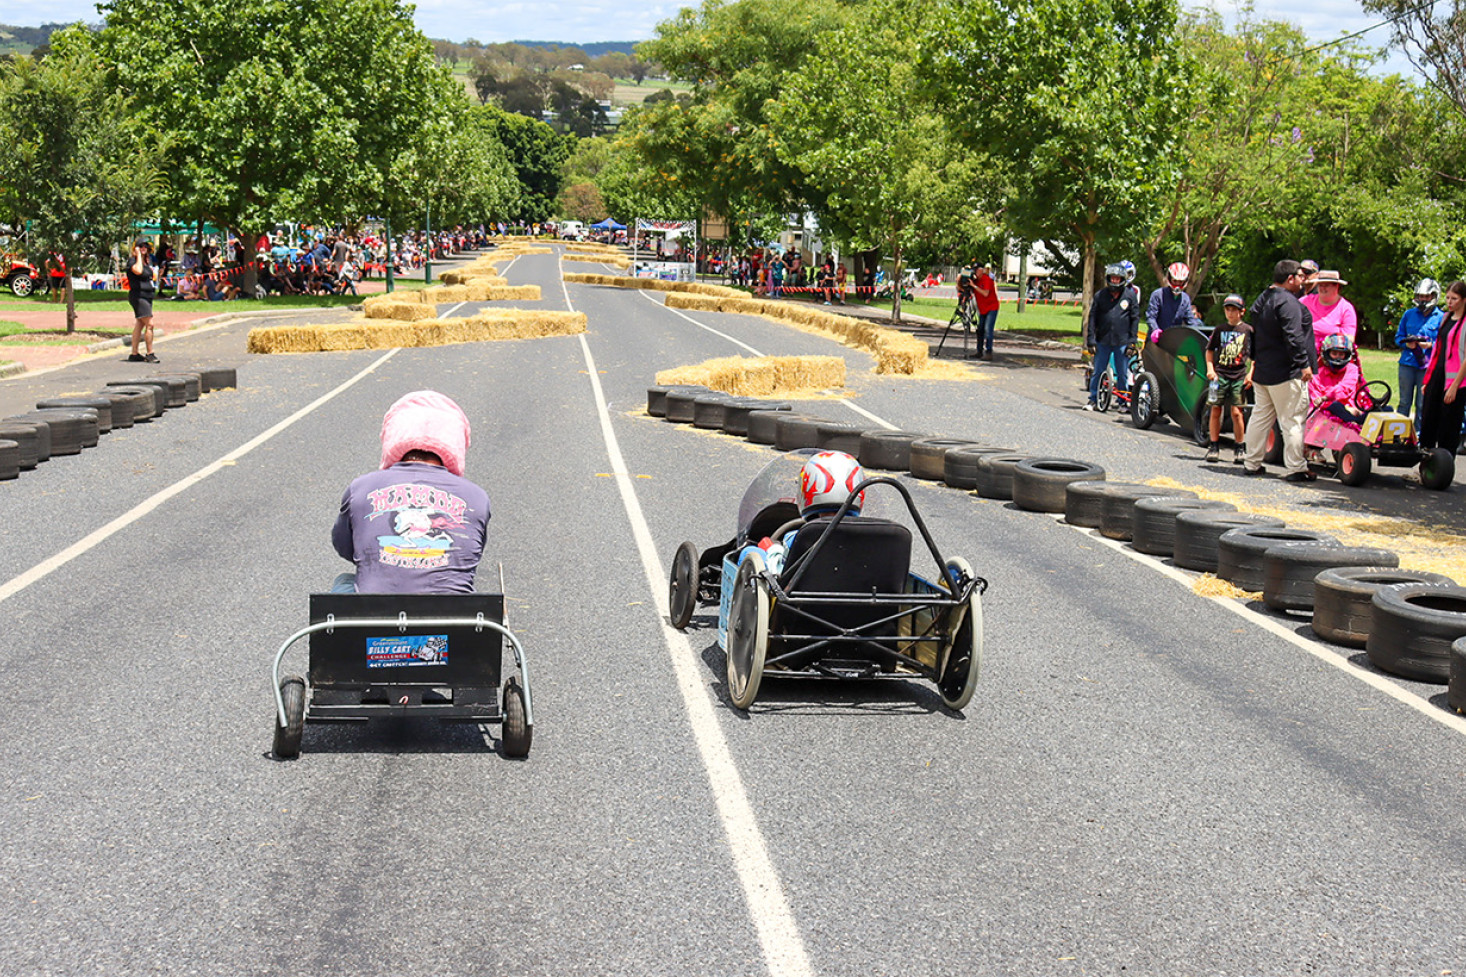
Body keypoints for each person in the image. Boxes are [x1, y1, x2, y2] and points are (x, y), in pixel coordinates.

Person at [332, 391, 491, 595]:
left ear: (393, 435)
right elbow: (470, 555)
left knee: (344, 581)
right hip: (453, 619)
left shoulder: (361, 488)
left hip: (374, 616)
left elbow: (345, 547)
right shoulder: (476, 497)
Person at [1242, 260, 1315, 481]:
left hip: (1264, 369)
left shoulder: (1263, 299)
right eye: (1301, 276)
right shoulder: (1288, 302)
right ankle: (1296, 468)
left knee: (1260, 417)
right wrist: (1303, 363)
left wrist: (1255, 363)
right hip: (1285, 371)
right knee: (1292, 420)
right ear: (1290, 278)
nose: (1304, 281)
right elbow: (1293, 337)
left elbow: (1254, 334)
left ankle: (1252, 462)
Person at [750, 451, 866, 576]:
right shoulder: (869, 538)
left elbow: (777, 573)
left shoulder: (799, 538)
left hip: (800, 592)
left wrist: (773, 550)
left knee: (749, 551)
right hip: (863, 591)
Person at [1418, 280, 1466, 456]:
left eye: (1454, 298)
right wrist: (1427, 380)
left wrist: (1454, 386)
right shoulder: (1445, 318)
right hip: (1437, 375)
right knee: (1429, 419)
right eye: (1447, 298)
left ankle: (1444, 464)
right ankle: (1426, 461)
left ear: (1464, 300)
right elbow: (1438, 351)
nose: (1450, 302)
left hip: (1456, 381)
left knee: (1449, 424)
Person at [1204, 293, 1254, 463]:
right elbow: (1210, 350)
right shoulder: (1220, 330)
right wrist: (1211, 369)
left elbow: (1254, 356)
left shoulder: (1248, 330)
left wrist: (1250, 373)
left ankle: (1240, 447)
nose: (1230, 313)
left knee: (1237, 412)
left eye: (1234, 310)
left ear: (1242, 312)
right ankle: (1213, 445)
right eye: (1228, 310)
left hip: (1239, 375)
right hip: (1220, 375)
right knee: (1216, 409)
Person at [1084, 264, 1139, 411]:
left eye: (1118, 279)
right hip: (1103, 340)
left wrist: (1132, 342)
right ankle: (1093, 399)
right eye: (1112, 278)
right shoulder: (1100, 296)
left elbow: (1135, 319)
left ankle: (1122, 402)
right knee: (1098, 370)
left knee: (1122, 373)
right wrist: (1090, 339)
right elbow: (1092, 318)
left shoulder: (1130, 296)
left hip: (1122, 341)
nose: (1115, 281)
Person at [1395, 278, 1441, 421]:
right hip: (1407, 364)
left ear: (1434, 296)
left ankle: (1420, 436)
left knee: (1423, 403)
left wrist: (1430, 345)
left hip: (1427, 366)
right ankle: (1399, 434)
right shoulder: (1409, 314)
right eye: (1421, 296)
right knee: (1404, 402)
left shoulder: (1441, 317)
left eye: (1426, 296)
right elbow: (1398, 337)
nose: (1423, 300)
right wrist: (1406, 344)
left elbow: (1445, 342)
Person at [1309, 334, 1367, 425]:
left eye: (1341, 354)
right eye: (1334, 354)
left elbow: (1344, 389)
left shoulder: (1352, 369)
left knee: (1386, 410)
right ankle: (1353, 424)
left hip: (1353, 411)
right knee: (1335, 406)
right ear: (1327, 353)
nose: (1338, 357)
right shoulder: (1316, 375)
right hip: (1326, 417)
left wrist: (1326, 397)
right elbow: (1316, 402)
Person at [1300, 270, 1357, 356]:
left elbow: (1349, 338)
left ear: (1336, 287)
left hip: (1331, 357)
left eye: (1326, 285)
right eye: (1320, 285)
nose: (1322, 288)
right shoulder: (1305, 301)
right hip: (1303, 353)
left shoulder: (1346, 308)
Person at [1145, 261, 1201, 342]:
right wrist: (1155, 330)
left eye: (1181, 282)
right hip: (1155, 341)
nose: (1177, 285)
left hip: (1173, 341)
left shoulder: (1185, 299)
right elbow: (1151, 317)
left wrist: (1198, 333)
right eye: (1175, 281)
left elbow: (1191, 321)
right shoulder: (1158, 295)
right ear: (1169, 279)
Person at [126, 240, 159, 364]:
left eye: (146, 246)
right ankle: (150, 353)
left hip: (147, 296)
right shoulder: (132, 262)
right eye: (141, 246)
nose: (144, 248)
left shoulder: (147, 262)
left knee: (140, 323)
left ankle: (134, 353)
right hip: (138, 296)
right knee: (150, 324)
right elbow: (138, 271)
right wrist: (138, 255)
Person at [973, 261, 1000, 360]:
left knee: (988, 330)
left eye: (977, 270)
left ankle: (989, 352)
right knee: (980, 330)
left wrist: (974, 286)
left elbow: (985, 293)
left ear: (981, 270)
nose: (975, 272)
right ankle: (979, 351)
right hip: (983, 309)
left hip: (991, 308)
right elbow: (962, 288)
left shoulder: (987, 280)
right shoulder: (976, 281)